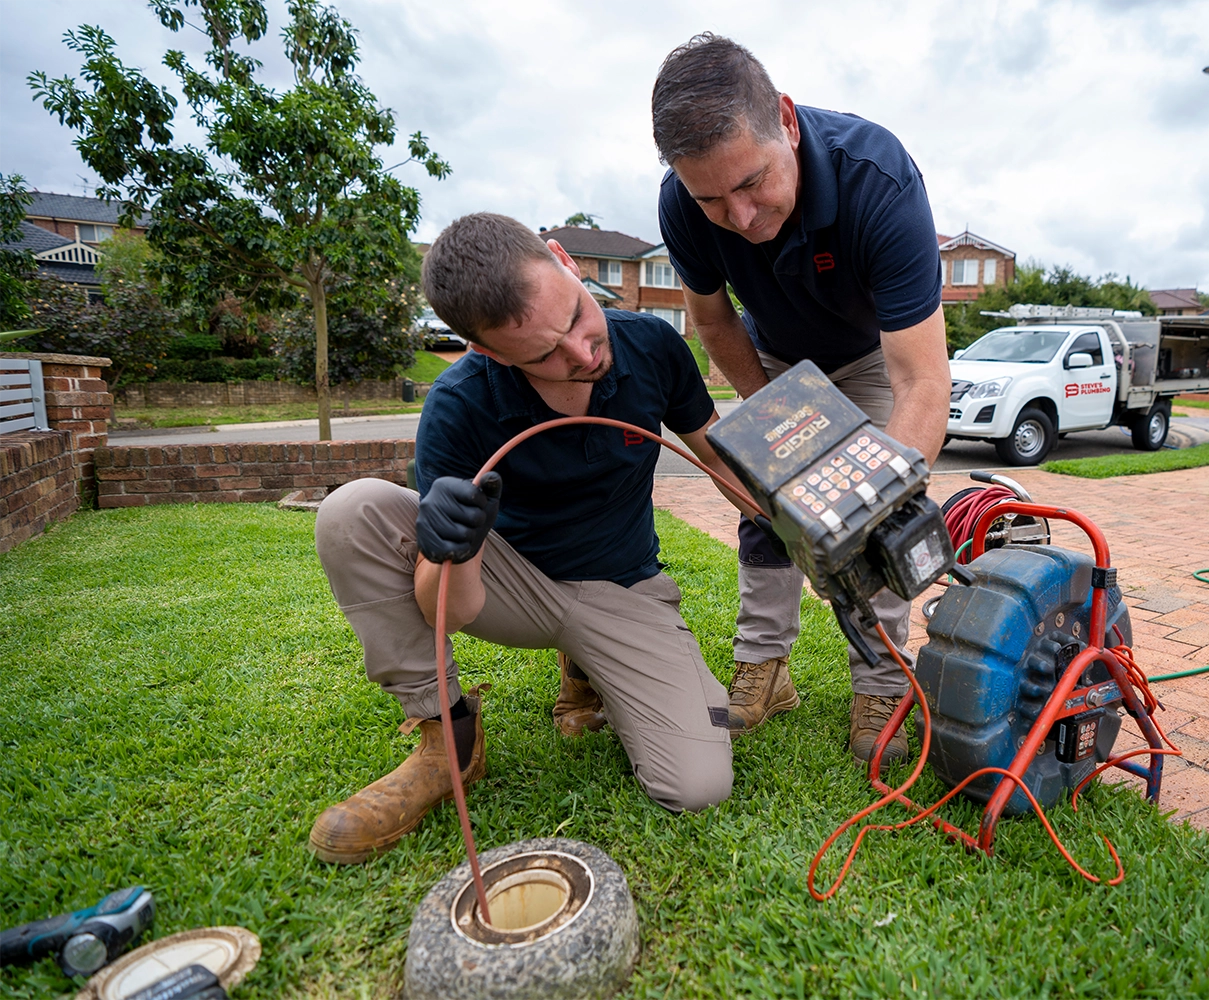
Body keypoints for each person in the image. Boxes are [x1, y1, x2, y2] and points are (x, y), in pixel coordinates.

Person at [307, 212, 756, 864]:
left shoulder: (653, 345)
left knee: (699, 785)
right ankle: (448, 743)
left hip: (623, 589)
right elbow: (447, 611)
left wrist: (792, 521)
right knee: (353, 511)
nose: (581, 353)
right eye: (543, 353)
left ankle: (590, 667)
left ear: (564, 260)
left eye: (576, 316)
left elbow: (716, 456)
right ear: (487, 351)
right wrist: (451, 547)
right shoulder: (461, 406)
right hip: (507, 583)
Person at [646, 33, 951, 766]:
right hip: (779, 359)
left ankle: (881, 682)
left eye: (753, 183)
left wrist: (866, 495)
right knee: (766, 502)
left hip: (876, 359)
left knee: (876, 516)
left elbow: (922, 379)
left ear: (785, 118)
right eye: (713, 199)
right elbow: (712, 318)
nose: (742, 218)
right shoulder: (683, 207)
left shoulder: (878, 177)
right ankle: (764, 664)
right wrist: (774, 420)